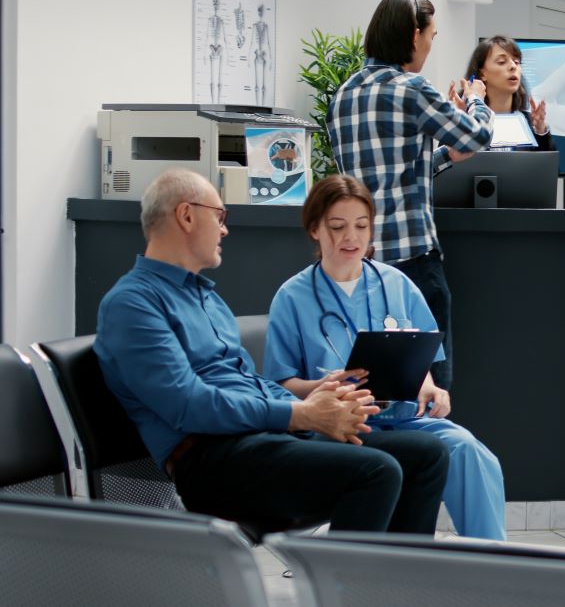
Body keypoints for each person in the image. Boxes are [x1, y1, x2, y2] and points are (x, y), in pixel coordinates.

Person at [94, 169, 450, 534]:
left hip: (259, 441)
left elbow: (249, 383)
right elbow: (190, 405)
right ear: (186, 215)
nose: (224, 229)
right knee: (377, 470)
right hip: (211, 458)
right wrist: (301, 414)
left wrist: (320, 397)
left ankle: (400, 585)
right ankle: (343, 590)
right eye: (219, 216)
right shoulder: (133, 304)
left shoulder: (206, 297)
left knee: (426, 455)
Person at [262, 175, 507, 540]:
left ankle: (494, 566)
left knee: (471, 453)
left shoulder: (397, 284)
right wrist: (323, 386)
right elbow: (280, 384)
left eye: (361, 226)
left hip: (405, 418)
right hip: (340, 424)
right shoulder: (293, 297)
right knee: (408, 458)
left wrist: (431, 388)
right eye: (338, 226)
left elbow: (420, 357)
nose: (352, 238)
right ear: (314, 229)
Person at [329, 0, 494, 392]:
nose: (430, 47)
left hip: (361, 261)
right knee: (431, 389)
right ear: (414, 35)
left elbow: (386, 171)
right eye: (432, 37)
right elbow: (478, 136)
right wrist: (476, 102)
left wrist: (443, 158)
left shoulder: (344, 95)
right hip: (413, 262)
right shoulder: (411, 88)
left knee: (375, 388)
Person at [465, 35, 553, 151]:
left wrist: (540, 130)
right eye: (502, 62)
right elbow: (445, 164)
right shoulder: (467, 119)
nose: (513, 66)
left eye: (517, 62)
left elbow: (549, 166)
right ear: (482, 74)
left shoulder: (528, 122)